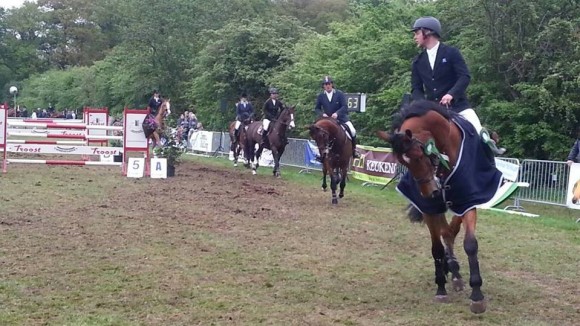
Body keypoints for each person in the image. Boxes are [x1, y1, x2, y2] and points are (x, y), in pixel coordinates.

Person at [410, 16, 505, 155]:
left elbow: (464, 76)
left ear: (428, 32)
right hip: (433, 110)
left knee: (477, 130)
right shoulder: (418, 61)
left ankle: (490, 159)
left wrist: (451, 94)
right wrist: (422, 105)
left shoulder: (451, 53)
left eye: (417, 33)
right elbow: (416, 88)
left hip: (458, 106)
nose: (415, 37)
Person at [314, 76, 360, 158]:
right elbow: (317, 108)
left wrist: (337, 113)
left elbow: (344, 106)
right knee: (318, 133)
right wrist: (322, 114)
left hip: (340, 118)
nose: (327, 86)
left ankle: (354, 150)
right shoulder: (321, 96)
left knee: (353, 131)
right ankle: (320, 153)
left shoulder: (339, 94)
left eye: (329, 84)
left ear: (332, 84)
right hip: (327, 120)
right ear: (323, 86)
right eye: (325, 84)